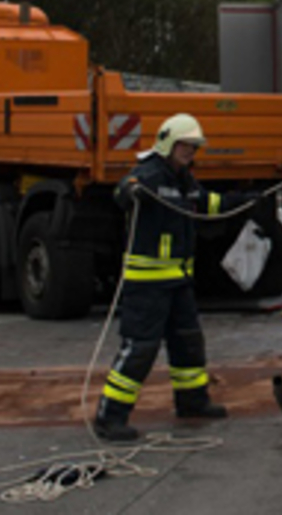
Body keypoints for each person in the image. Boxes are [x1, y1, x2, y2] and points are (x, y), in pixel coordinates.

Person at [92, 113, 245, 442]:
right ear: (169, 143)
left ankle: (192, 402)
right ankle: (110, 416)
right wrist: (133, 195)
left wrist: (243, 203)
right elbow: (124, 190)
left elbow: (205, 203)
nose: (190, 151)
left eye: (194, 146)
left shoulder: (183, 179)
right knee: (140, 348)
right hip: (146, 286)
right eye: (186, 145)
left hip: (177, 282)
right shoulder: (149, 173)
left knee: (188, 343)